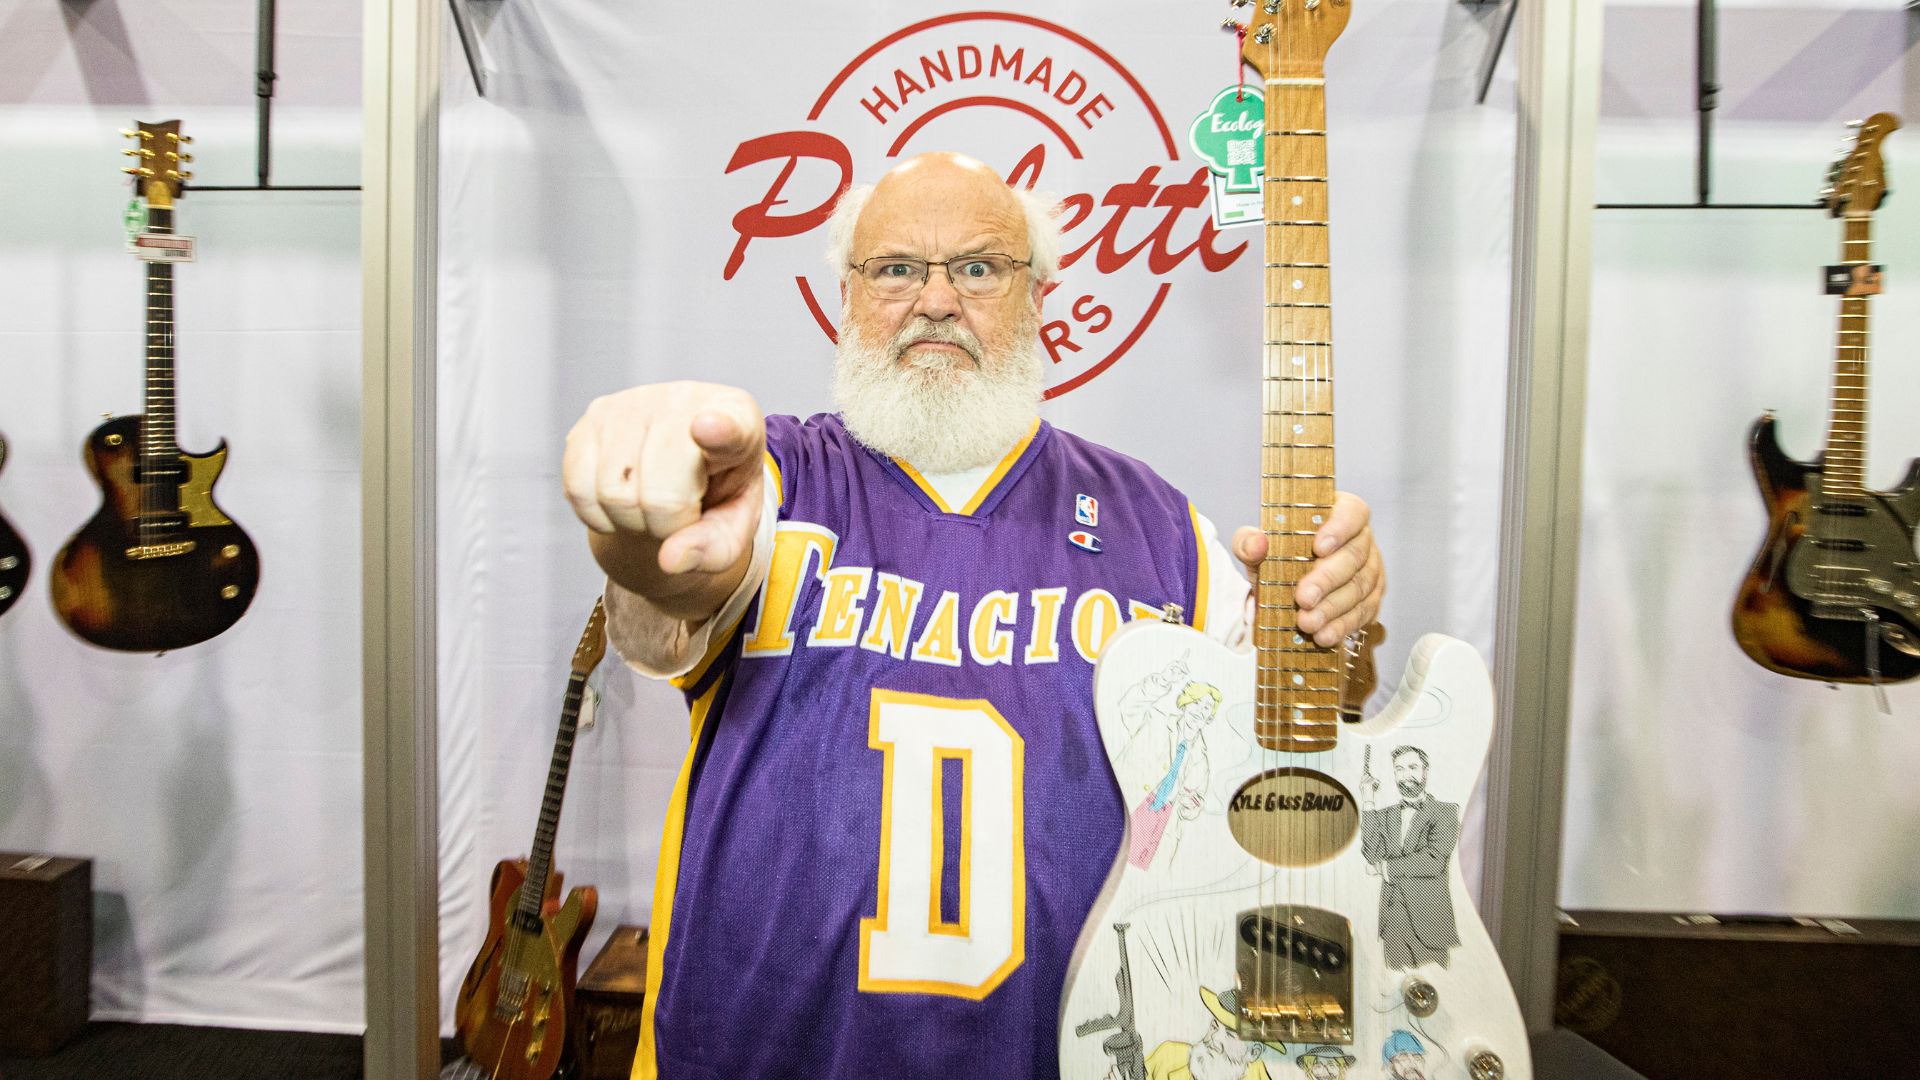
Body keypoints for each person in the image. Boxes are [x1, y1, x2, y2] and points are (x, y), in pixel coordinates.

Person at [563, 152, 1386, 1080]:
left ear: (1038, 298)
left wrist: (1337, 611)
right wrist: (638, 525)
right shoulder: (768, 481)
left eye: (980, 268)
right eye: (896, 269)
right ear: (846, 297)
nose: (937, 301)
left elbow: (1294, 749)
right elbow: (670, 588)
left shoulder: (1159, 525)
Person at [1360, 744, 1462, 970]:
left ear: (1426, 770)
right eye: (1399, 769)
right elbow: (1372, 853)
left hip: (1430, 924)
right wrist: (1368, 798)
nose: (1406, 775)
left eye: (1413, 767)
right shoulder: (1386, 815)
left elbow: (1434, 860)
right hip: (1392, 922)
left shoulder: (1446, 812)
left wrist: (1383, 868)